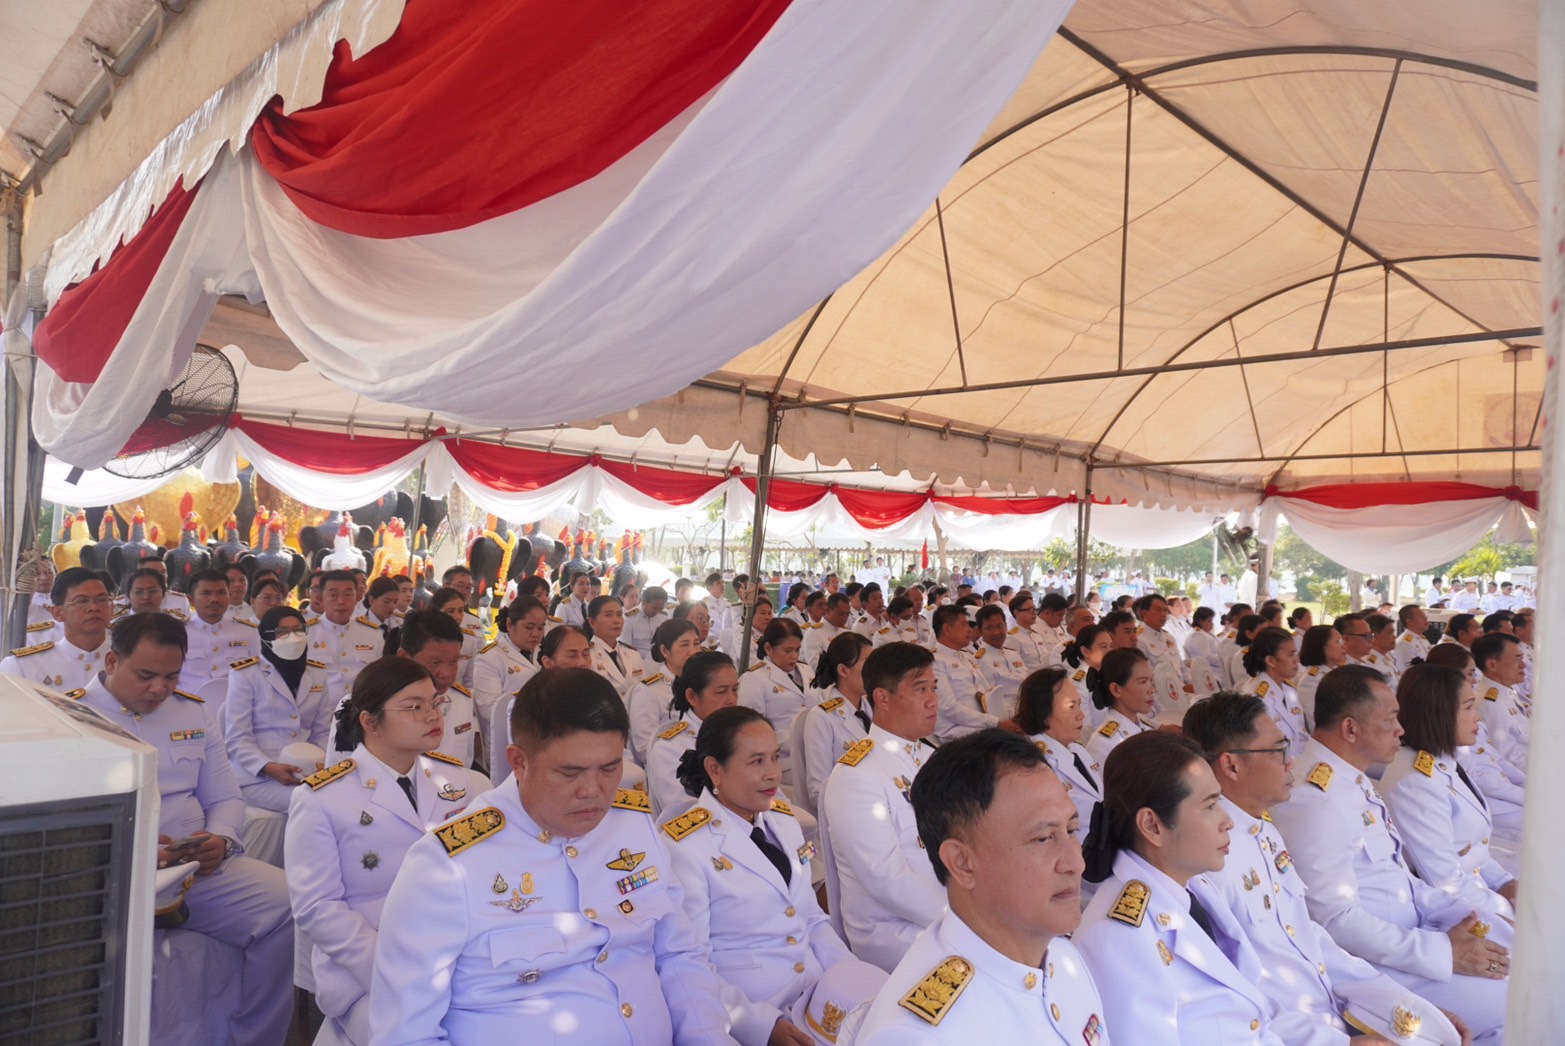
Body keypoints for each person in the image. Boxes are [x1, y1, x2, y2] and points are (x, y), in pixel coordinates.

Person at [367, 668, 739, 1043]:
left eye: (610, 768)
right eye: (570, 772)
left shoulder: (633, 825)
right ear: (519, 761)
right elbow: (406, 1035)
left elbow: (678, 955)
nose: (593, 790)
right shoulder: (448, 865)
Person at [1183, 692, 1464, 1046]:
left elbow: (1309, 937)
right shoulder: (1206, 857)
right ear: (1232, 765)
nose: (1290, 762)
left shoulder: (1262, 829)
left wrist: (1411, 1008)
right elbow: (1235, 994)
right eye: (1278, 750)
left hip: (1332, 1011)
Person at [78, 613, 293, 1045]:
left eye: (171, 676)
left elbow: (226, 798)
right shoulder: (73, 717)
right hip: (107, 878)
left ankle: (257, 1037)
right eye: (146, 676)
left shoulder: (192, 712)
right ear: (111, 661)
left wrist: (221, 840)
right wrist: (134, 851)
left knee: (289, 905)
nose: (160, 688)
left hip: (196, 869)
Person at [1269, 666, 1511, 1043]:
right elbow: (1336, 921)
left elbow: (1401, 882)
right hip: (1382, 968)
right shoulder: (1315, 799)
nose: (1401, 729)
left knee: (1525, 955)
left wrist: (1467, 916)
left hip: (1418, 936)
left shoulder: (1352, 778)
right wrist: (1442, 952)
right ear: (1351, 729)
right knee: (1523, 1001)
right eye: (1390, 719)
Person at [852, 730, 1102, 1044]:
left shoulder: (1061, 956)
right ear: (963, 864)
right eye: (1043, 838)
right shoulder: (919, 1036)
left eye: (1072, 829)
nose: (1076, 862)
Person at [285, 657, 479, 1045]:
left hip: (454, 954)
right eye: (414, 706)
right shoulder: (323, 798)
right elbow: (317, 907)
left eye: (434, 702)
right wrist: (393, 968)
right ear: (370, 722)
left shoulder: (455, 780)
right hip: (366, 972)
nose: (432, 715)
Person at [664, 706, 855, 1046]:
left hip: (817, 1000)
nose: (773, 774)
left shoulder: (783, 821)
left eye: (775, 758)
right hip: (754, 1014)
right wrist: (760, 1026)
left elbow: (812, 920)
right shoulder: (685, 846)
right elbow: (690, 964)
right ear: (715, 769)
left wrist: (853, 981)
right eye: (756, 762)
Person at [1075, 731, 1280, 1042]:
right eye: (1210, 806)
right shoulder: (1117, 937)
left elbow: (1253, 1011)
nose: (1227, 821)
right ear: (1152, 826)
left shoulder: (1193, 885)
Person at [819, 643, 944, 972]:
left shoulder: (931, 758)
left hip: (947, 913)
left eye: (933, 688)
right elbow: (887, 880)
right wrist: (968, 918)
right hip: (894, 934)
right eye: (920, 689)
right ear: (882, 698)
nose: (933, 700)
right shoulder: (857, 775)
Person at [1379, 664, 1517, 918]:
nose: (1478, 717)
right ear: (1439, 712)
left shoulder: (1441, 760)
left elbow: (1472, 849)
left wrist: (1504, 883)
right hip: (1457, 912)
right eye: (1468, 707)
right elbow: (1445, 882)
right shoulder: (1414, 783)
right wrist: (1510, 910)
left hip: (1477, 891)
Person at [222, 606, 333, 814]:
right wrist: (269, 767)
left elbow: (323, 732)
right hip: (257, 776)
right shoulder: (246, 675)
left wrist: (319, 767)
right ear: (267, 637)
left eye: (298, 630)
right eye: (283, 632)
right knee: (313, 805)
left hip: (307, 771)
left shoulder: (317, 673)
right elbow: (237, 738)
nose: (293, 637)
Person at [1423, 644, 1525, 843]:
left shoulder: (1471, 710)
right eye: (1470, 673)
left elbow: (1499, 760)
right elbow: (1478, 778)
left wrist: (1529, 787)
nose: (1476, 678)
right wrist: (1528, 796)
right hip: (1488, 804)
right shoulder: (1449, 722)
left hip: (1503, 794)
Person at [1009, 667, 1100, 846]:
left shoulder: (1077, 750)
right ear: (1043, 713)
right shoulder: (1034, 764)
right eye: (1071, 707)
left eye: (1079, 704)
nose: (1081, 715)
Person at [647, 651, 740, 816]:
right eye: (721, 692)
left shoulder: (742, 734)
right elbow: (687, 814)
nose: (731, 699)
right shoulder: (669, 748)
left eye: (735, 690)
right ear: (692, 697)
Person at [1, 566, 113, 694]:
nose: (94, 607)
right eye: (82, 601)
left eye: (102, 600)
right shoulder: (22, 666)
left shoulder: (125, 661)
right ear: (57, 613)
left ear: (112, 607)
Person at [798, 633, 875, 812]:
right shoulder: (822, 717)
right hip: (850, 811)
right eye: (867, 664)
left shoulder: (872, 707)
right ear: (843, 670)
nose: (875, 671)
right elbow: (818, 791)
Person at [737, 617, 810, 793]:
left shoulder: (807, 670)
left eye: (797, 650)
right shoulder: (753, 679)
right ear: (769, 648)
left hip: (814, 752)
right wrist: (793, 741)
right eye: (788, 650)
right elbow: (752, 730)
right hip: (783, 761)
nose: (794, 656)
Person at [472, 596, 546, 752]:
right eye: (529, 627)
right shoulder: (490, 657)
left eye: (540, 628)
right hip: (506, 741)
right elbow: (489, 709)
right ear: (510, 624)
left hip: (540, 736)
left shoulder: (543, 653)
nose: (535, 634)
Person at [625, 618, 700, 764]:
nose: (693, 651)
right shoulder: (649, 691)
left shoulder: (700, 685)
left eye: (696, 643)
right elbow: (644, 749)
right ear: (665, 651)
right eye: (684, 645)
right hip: (668, 766)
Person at [179, 568, 260, 693]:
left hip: (236, 702)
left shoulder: (247, 632)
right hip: (190, 702)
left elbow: (257, 674)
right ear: (191, 600)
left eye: (221, 593)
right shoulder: (178, 632)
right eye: (206, 593)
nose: (214, 599)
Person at [311, 570, 386, 700]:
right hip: (320, 709)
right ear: (320, 598)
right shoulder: (306, 634)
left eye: (347, 594)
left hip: (360, 707)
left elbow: (379, 677)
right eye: (333, 595)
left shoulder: (372, 633)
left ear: (357, 597)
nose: (341, 601)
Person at [929, 605, 999, 742]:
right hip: (958, 733)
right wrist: (994, 722)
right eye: (964, 625)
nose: (970, 630)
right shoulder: (935, 661)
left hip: (982, 727)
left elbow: (988, 693)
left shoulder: (967, 657)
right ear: (947, 629)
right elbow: (949, 707)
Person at [1239, 627, 1308, 758]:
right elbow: (1262, 749)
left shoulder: (1289, 689)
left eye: (1295, 654)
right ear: (1271, 661)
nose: (1297, 660)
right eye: (1290, 655)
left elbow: (1301, 734)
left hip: (1298, 760)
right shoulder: (1256, 698)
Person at [1083, 648, 1158, 765]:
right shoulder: (1103, 744)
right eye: (1143, 682)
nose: (1152, 690)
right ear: (1116, 690)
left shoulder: (1147, 729)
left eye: (1150, 681)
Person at [1470, 632, 1529, 773]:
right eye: (1517, 659)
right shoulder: (1489, 703)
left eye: (1522, 658)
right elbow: (1509, 758)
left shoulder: (1507, 691)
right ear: (1492, 665)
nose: (1523, 664)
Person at [428, 585, 482, 690]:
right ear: (437, 611)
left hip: (456, 693)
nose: (457, 617)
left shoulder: (470, 639)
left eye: (461, 611)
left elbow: (470, 679)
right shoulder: (424, 636)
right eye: (450, 611)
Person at [1059, 623, 1112, 727]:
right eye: (1103, 647)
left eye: (1111, 646)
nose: (1109, 651)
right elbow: (1084, 727)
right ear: (1085, 651)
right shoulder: (1078, 683)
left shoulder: (1108, 673)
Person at [1294, 624, 1345, 728]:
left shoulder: (1336, 672)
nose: (1344, 646)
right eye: (1338, 641)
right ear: (1321, 646)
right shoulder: (1311, 681)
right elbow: (1316, 723)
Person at [801, 593, 851, 669]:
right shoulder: (814, 633)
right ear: (827, 610)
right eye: (841, 614)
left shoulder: (846, 633)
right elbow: (815, 666)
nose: (845, 618)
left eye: (847, 614)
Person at [625, 585, 671, 661]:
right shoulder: (629, 618)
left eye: (661, 608)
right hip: (636, 661)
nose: (657, 612)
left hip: (658, 660)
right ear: (644, 602)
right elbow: (625, 649)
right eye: (654, 608)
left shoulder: (663, 617)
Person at [1392, 605, 1432, 678]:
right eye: (1421, 616)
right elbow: (1408, 673)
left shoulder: (1422, 639)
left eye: (1424, 615)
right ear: (1409, 621)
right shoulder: (1403, 644)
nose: (1425, 618)